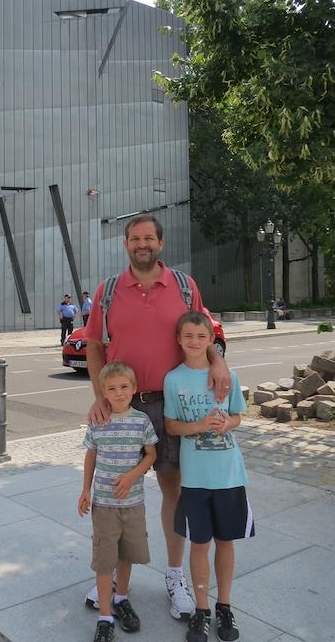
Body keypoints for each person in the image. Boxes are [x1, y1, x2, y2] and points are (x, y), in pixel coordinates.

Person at [84, 213, 231, 621]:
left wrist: (218, 361)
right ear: (125, 244)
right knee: (116, 493)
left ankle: (174, 575)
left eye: (149, 238)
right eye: (135, 238)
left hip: (172, 406)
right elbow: (94, 345)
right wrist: (99, 396)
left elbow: (203, 334)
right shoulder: (108, 290)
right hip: (123, 408)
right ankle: (113, 579)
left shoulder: (184, 286)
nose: (142, 244)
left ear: (161, 244)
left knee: (174, 491)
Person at [164, 310, 254, 642]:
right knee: (199, 544)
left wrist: (226, 423)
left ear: (211, 341)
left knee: (225, 542)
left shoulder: (228, 375)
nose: (194, 341)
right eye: (188, 336)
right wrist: (200, 425)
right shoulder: (173, 379)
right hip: (194, 478)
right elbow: (171, 425)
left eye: (201, 336)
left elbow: (238, 417)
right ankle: (201, 609)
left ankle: (224, 606)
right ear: (178, 340)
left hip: (228, 474)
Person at [78, 361, 158, 642]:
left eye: (124, 387)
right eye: (111, 389)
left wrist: (132, 475)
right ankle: (105, 616)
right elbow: (91, 455)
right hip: (104, 505)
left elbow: (151, 454)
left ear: (134, 388)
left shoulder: (141, 421)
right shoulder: (98, 421)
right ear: (104, 392)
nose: (119, 393)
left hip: (133, 503)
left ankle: (121, 598)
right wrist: (85, 490)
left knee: (126, 555)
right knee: (104, 560)